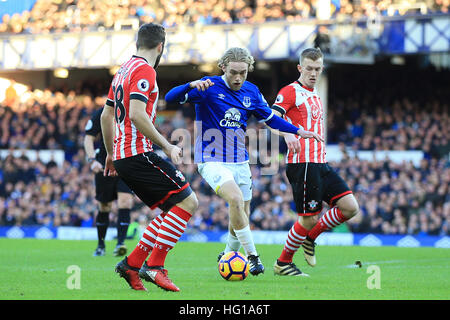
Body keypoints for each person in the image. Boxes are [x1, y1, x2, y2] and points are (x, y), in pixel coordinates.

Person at [165, 47, 323, 276]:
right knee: (236, 199)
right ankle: (253, 257)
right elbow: (170, 98)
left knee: (241, 210)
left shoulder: (251, 91)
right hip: (211, 159)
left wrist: (299, 131)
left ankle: (228, 253)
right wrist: (190, 85)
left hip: (240, 161)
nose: (238, 78)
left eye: (243, 72)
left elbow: (270, 119)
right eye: (233, 72)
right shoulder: (208, 86)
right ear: (223, 68)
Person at [100, 23, 199, 292]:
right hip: (138, 152)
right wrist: (167, 146)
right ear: (161, 46)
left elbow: (106, 115)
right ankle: (155, 267)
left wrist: (110, 153)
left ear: (137, 43)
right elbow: (136, 114)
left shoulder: (122, 70)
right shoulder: (145, 70)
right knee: (189, 202)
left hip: (122, 154)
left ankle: (132, 265)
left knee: (172, 210)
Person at [270, 47, 360, 276]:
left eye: (318, 69)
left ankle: (310, 238)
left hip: (321, 162)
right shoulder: (290, 91)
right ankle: (283, 263)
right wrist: (289, 134)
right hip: (304, 163)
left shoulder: (315, 93)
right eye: (309, 68)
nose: (313, 73)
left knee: (350, 208)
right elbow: (271, 118)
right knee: (307, 219)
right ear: (300, 68)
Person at [84, 106, 134, 257]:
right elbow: (88, 137)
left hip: (127, 163)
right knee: (104, 206)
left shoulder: (135, 108)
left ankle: (120, 243)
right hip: (104, 163)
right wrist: (92, 160)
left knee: (125, 202)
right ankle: (100, 245)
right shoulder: (102, 112)